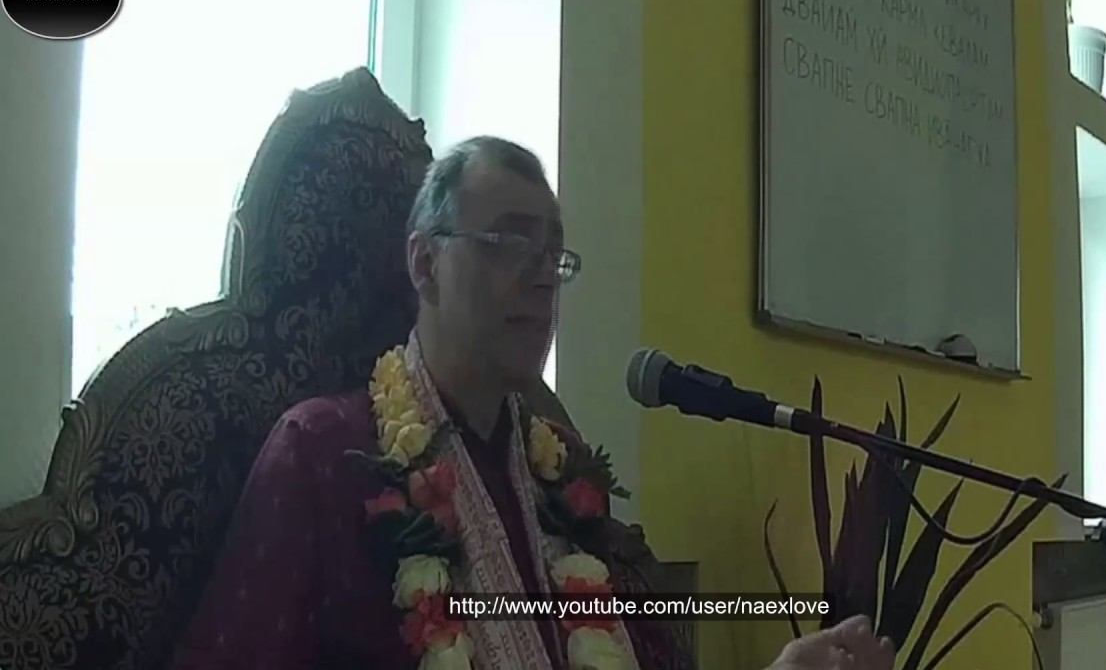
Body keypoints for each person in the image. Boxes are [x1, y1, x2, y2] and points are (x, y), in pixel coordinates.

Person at [169, 136, 896, 670]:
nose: (544, 277)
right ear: (425, 263)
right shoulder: (325, 453)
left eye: (554, 255)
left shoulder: (559, 475)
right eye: (508, 244)